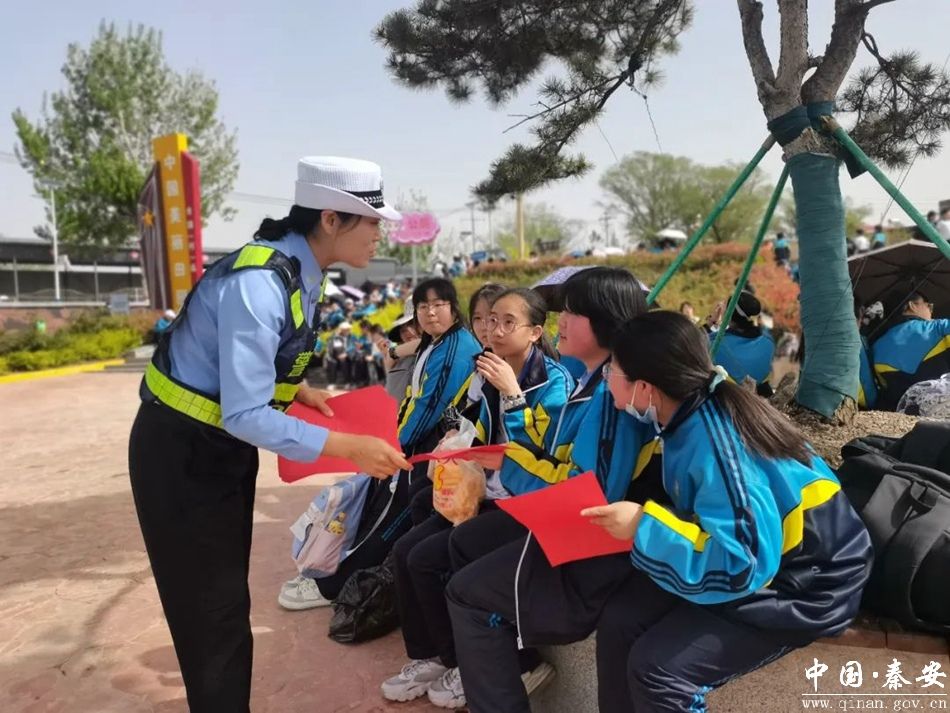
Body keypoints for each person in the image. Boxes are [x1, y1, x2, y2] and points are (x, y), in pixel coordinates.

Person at [128, 156, 412, 713]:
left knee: (224, 603)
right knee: (212, 614)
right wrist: (349, 448)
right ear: (330, 219)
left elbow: (244, 365)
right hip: (182, 452)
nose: (380, 234)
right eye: (372, 222)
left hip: (217, 447)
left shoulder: (302, 270)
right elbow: (244, 414)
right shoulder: (259, 283)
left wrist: (297, 390)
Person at [579, 311, 871, 713]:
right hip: (765, 558)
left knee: (658, 670)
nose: (606, 379)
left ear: (644, 388)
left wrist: (644, 526)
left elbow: (742, 563)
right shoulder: (692, 408)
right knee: (620, 621)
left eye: (612, 370)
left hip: (806, 584)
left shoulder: (718, 444)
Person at [442, 268, 662, 712]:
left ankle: (503, 679)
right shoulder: (586, 380)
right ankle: (502, 665)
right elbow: (550, 446)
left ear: (606, 321)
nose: (560, 320)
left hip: (589, 549)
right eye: (488, 320)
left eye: (573, 312)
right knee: (464, 542)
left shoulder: (609, 394)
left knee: (465, 592)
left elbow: (588, 493)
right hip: (556, 514)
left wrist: (510, 451)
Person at [382, 288, 573, 708]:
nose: (493, 330)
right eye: (487, 320)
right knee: (407, 552)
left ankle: (493, 662)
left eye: (507, 322)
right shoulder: (486, 370)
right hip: (487, 490)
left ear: (535, 331)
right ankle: (438, 656)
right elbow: (476, 428)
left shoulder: (554, 382)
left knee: (447, 552)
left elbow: (542, 456)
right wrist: (459, 440)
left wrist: (513, 395)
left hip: (524, 501)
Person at [279, 277, 482, 609]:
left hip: (420, 454)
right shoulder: (437, 342)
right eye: (423, 306)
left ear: (454, 309)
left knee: (387, 522)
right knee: (374, 513)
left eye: (438, 305)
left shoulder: (454, 350)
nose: (431, 313)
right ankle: (330, 573)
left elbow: (426, 407)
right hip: (416, 449)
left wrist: (393, 446)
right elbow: (413, 393)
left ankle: (330, 587)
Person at [870, 290, 950, 411]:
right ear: (912, 305)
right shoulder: (939, 328)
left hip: (900, 413)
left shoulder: (876, 347)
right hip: (941, 407)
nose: (931, 312)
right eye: (929, 306)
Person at [709, 291, 775, 396]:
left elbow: (694, 343)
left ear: (729, 313)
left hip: (730, 399)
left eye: (725, 306)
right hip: (764, 396)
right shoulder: (768, 341)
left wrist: (712, 323)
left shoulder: (716, 345)